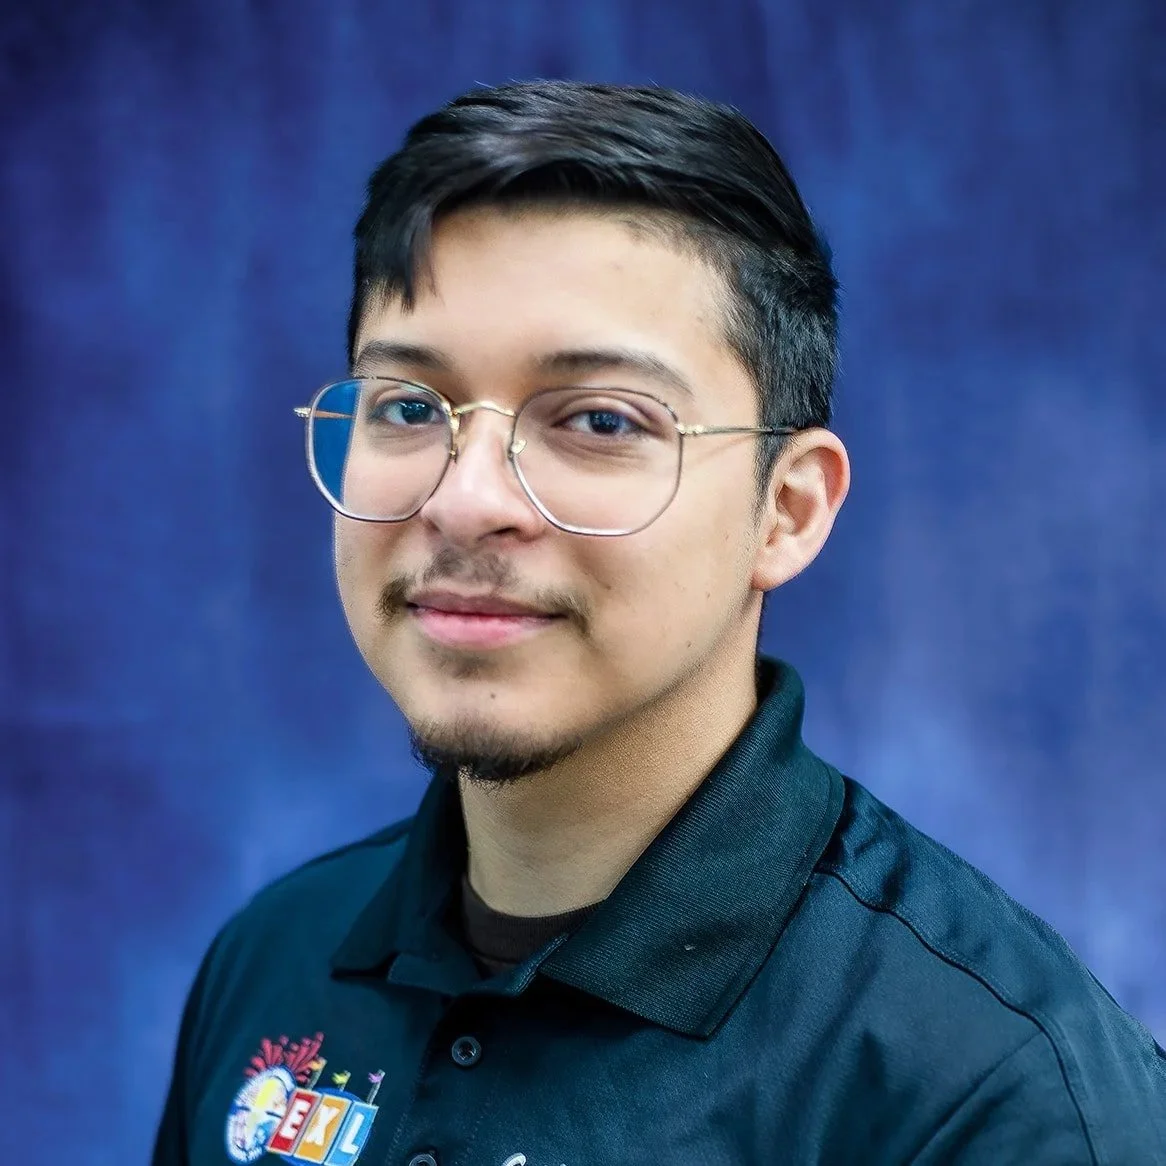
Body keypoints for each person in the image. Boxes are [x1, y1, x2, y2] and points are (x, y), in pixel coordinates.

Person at [152, 80, 1166, 1166]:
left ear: (787, 509)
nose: (464, 499)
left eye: (597, 419)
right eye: (409, 407)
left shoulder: (990, 1091)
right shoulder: (273, 959)